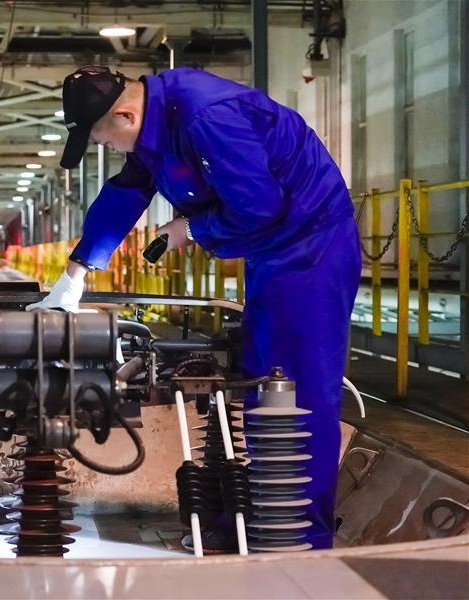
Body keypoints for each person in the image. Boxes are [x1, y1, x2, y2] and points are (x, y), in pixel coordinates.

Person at [29, 65, 361, 550]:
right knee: (258, 380)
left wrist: (191, 230)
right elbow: (124, 195)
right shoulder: (155, 121)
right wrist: (74, 276)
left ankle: (302, 537)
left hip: (313, 245)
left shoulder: (208, 116)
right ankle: (249, 520)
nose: (111, 150)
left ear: (125, 114)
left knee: (295, 390)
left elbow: (259, 208)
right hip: (272, 251)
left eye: (106, 140)